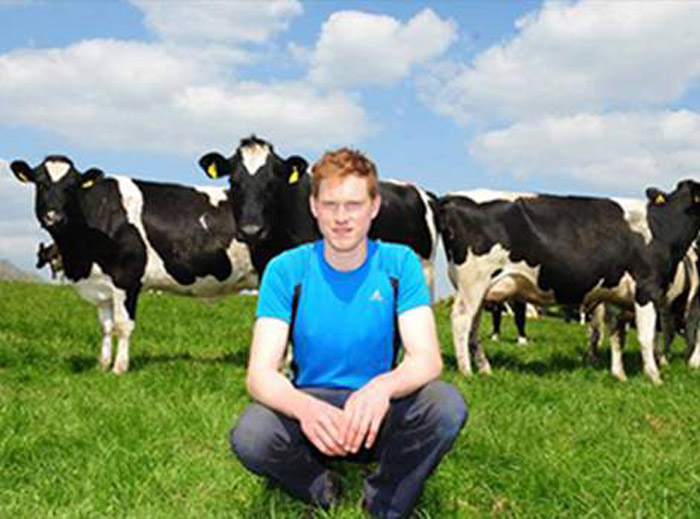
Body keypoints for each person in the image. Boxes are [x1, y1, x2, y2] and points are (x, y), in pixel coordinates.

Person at [230, 148, 467, 518]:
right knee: (252, 435)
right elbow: (260, 374)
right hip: (312, 411)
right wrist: (304, 408)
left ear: (374, 207)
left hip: (378, 411)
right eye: (330, 204)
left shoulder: (399, 263)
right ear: (313, 206)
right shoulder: (285, 269)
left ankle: (383, 500)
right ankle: (323, 488)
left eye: (354, 204)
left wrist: (381, 389)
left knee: (444, 405)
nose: (341, 218)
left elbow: (426, 358)